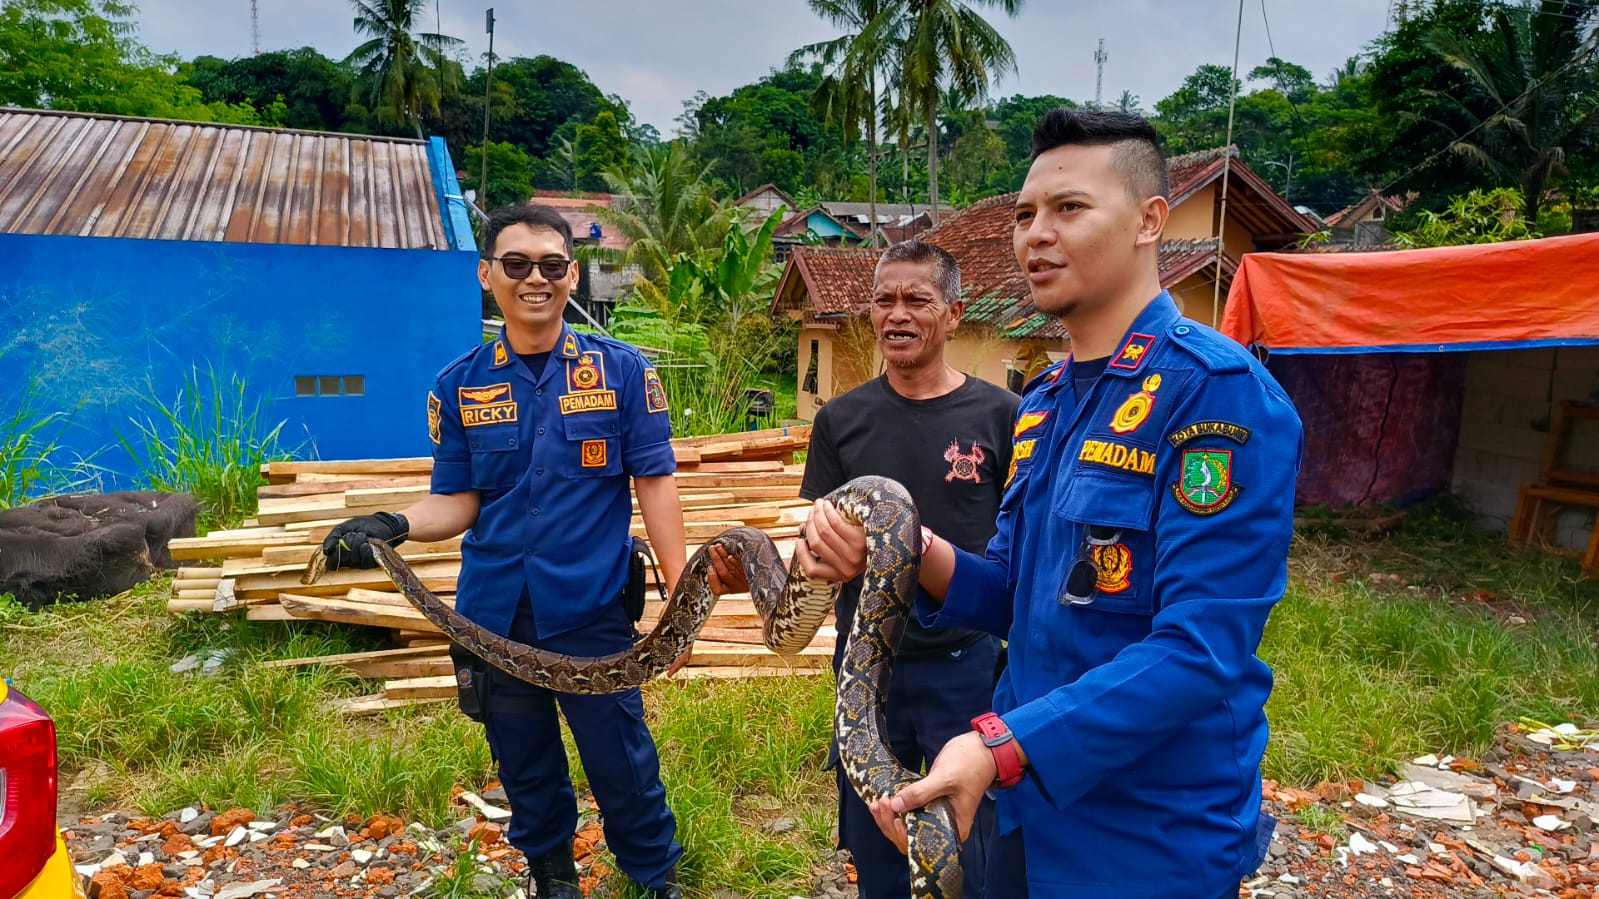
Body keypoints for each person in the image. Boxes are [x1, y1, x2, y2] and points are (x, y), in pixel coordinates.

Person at [802, 109, 1304, 897]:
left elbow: (1200, 648)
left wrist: (1000, 746)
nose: (1035, 234)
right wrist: (906, 548)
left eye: (1069, 208)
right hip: (1022, 808)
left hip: (1144, 830)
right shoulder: (1042, 402)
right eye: (1024, 214)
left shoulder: (1216, 395)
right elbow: (1012, 589)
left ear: (1148, 221)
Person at [319, 204, 688, 899]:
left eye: (551, 265)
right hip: (492, 616)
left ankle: (652, 875)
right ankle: (553, 877)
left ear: (571, 274)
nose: (534, 279)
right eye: (516, 264)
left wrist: (680, 600)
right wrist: (393, 523)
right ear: (487, 275)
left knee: (620, 758)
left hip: (590, 608)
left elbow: (655, 485)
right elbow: (457, 502)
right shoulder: (460, 384)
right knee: (523, 761)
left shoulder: (621, 372)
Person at [716, 239, 1016, 898]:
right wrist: (760, 573)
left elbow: (1015, 551)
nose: (897, 313)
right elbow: (819, 549)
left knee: (975, 841)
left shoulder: (1001, 416)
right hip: (866, 667)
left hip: (966, 664)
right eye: (884, 300)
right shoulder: (841, 419)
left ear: (953, 313)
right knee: (875, 841)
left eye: (917, 299)